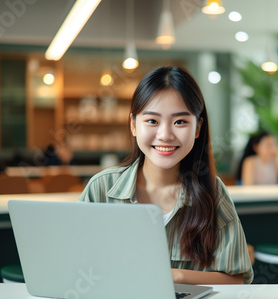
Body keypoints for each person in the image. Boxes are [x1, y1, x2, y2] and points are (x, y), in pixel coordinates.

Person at [79, 66, 253, 285]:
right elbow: (75, 265)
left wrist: (176, 276)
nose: (165, 135)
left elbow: (237, 279)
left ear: (198, 128)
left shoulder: (213, 192)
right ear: (133, 125)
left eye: (180, 122)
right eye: (152, 121)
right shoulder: (101, 189)